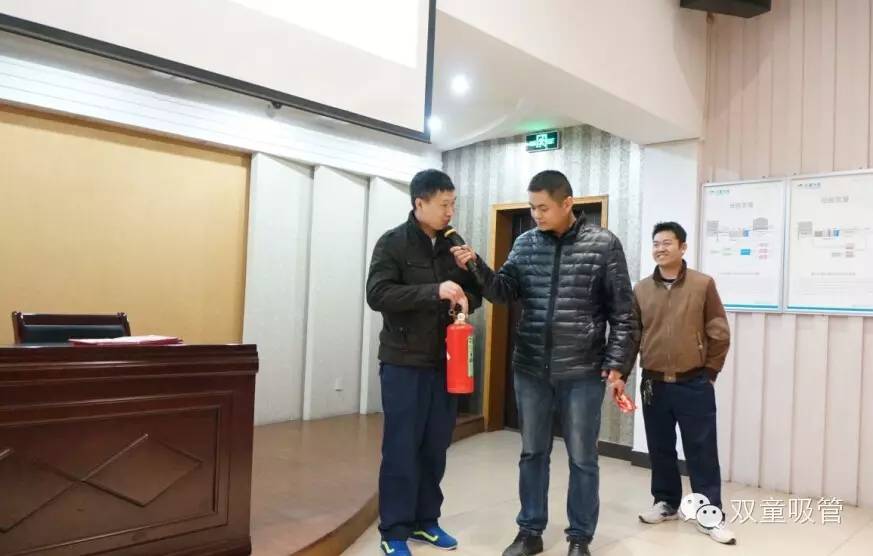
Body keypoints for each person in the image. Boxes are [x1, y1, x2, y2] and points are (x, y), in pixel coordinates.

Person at [451, 170, 638, 556]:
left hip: (583, 371)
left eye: (543, 207)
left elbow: (624, 313)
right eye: (532, 207)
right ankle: (530, 531)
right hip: (531, 368)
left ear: (567, 203)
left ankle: (580, 538)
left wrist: (618, 364)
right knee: (532, 453)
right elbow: (503, 291)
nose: (536, 214)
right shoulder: (524, 243)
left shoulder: (603, 244)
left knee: (582, 458)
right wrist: (476, 265)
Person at [366, 169, 482, 556]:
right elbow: (378, 294)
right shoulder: (393, 243)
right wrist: (433, 291)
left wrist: (467, 292)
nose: (450, 212)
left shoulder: (453, 245)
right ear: (420, 203)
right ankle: (394, 530)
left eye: (453, 204)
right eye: (444, 204)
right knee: (401, 447)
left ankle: (426, 521)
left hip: (445, 363)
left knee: (435, 446)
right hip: (403, 362)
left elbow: (474, 295)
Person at [634, 221, 735, 545]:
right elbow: (632, 334)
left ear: (683, 247)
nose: (660, 249)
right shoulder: (641, 289)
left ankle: (710, 514)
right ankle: (666, 502)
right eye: (656, 244)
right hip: (654, 383)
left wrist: (710, 371)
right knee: (660, 448)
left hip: (693, 382)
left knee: (701, 450)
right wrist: (619, 372)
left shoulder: (702, 284)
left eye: (667, 243)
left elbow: (719, 330)